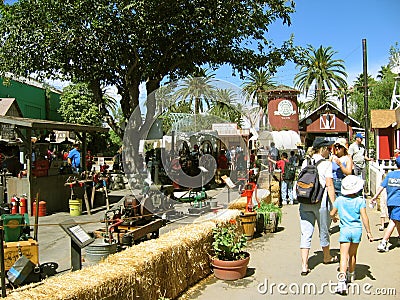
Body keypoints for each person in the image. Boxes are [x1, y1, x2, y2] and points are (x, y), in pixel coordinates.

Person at [299, 137, 337, 276]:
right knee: (324, 230)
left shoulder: (305, 162)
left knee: (305, 233)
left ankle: (304, 265)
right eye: (328, 148)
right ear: (323, 149)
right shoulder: (326, 164)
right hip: (320, 202)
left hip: (305, 201)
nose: (330, 151)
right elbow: (330, 185)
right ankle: (327, 257)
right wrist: (335, 206)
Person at [330, 175, 373, 295]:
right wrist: (369, 232)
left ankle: (341, 282)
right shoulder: (360, 201)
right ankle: (351, 274)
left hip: (345, 230)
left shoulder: (339, 200)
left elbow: (332, 213)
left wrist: (334, 217)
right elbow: (364, 217)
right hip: (356, 230)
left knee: (343, 256)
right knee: (353, 254)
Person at [370, 156, 400, 252]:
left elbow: (381, 187)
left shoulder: (390, 175)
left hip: (390, 202)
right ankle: (384, 242)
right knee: (394, 221)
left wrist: (375, 196)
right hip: (399, 203)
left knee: (396, 220)